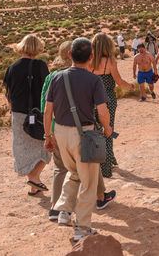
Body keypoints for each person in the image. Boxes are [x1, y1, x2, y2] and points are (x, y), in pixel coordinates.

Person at [43, 37, 113, 242]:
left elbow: (48, 111)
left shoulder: (57, 77)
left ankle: (64, 210)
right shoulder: (93, 80)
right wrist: (107, 128)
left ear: (68, 55)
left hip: (61, 133)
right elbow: (103, 111)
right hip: (84, 135)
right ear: (91, 57)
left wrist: (48, 136)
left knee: (73, 173)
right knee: (89, 182)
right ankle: (82, 227)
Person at [3, 34, 51, 196]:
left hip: (18, 114)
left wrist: (14, 112)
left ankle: (34, 184)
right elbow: (48, 92)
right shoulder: (41, 66)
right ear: (37, 47)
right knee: (47, 148)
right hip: (39, 115)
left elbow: (8, 94)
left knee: (22, 149)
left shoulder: (12, 68)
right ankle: (35, 179)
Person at [91, 33, 135, 178]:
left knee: (94, 131)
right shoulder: (110, 61)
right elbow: (119, 81)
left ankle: (98, 163)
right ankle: (106, 167)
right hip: (108, 99)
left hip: (91, 101)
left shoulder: (88, 61)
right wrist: (130, 86)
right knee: (108, 130)